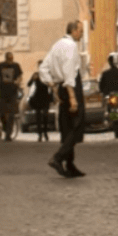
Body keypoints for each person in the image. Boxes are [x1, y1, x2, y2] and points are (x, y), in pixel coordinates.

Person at [41, 21, 87, 178]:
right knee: (77, 125)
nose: (81, 34)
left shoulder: (57, 45)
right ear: (74, 31)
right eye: (80, 31)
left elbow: (43, 69)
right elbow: (69, 71)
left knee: (67, 127)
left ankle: (70, 164)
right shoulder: (70, 46)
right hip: (71, 87)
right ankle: (58, 158)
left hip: (61, 87)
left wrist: (55, 89)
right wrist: (72, 96)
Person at [0, 51, 24, 141]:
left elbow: (20, 76)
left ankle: (8, 134)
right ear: (6, 58)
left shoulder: (16, 65)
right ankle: (5, 128)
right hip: (2, 93)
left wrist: (17, 82)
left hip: (13, 93)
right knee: (2, 113)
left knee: (11, 114)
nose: (11, 60)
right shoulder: (0, 65)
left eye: (12, 58)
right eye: (9, 58)